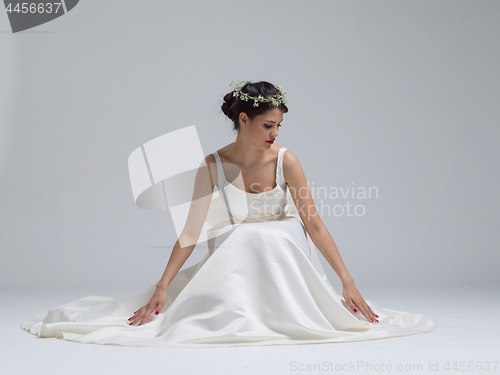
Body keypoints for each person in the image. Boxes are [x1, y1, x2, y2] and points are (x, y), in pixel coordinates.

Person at [21, 80, 437, 347]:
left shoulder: (286, 160)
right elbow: (191, 231)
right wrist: (163, 285)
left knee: (257, 236)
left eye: (279, 126)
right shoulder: (212, 165)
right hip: (237, 255)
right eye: (268, 125)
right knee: (238, 236)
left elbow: (312, 222)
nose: (276, 134)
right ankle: (231, 313)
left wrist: (347, 281)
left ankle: (285, 312)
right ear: (243, 119)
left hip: (283, 248)